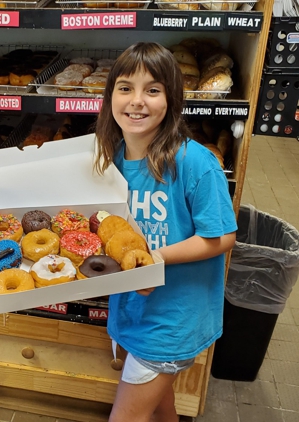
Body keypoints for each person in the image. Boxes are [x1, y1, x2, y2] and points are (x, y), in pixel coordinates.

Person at [94, 42, 237, 422]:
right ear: (110, 97)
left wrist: (159, 257)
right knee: (160, 407)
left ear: (172, 99)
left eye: (152, 90)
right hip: (132, 311)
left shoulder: (193, 162)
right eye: (125, 87)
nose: (137, 100)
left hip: (174, 319)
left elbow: (223, 236)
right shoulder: (114, 158)